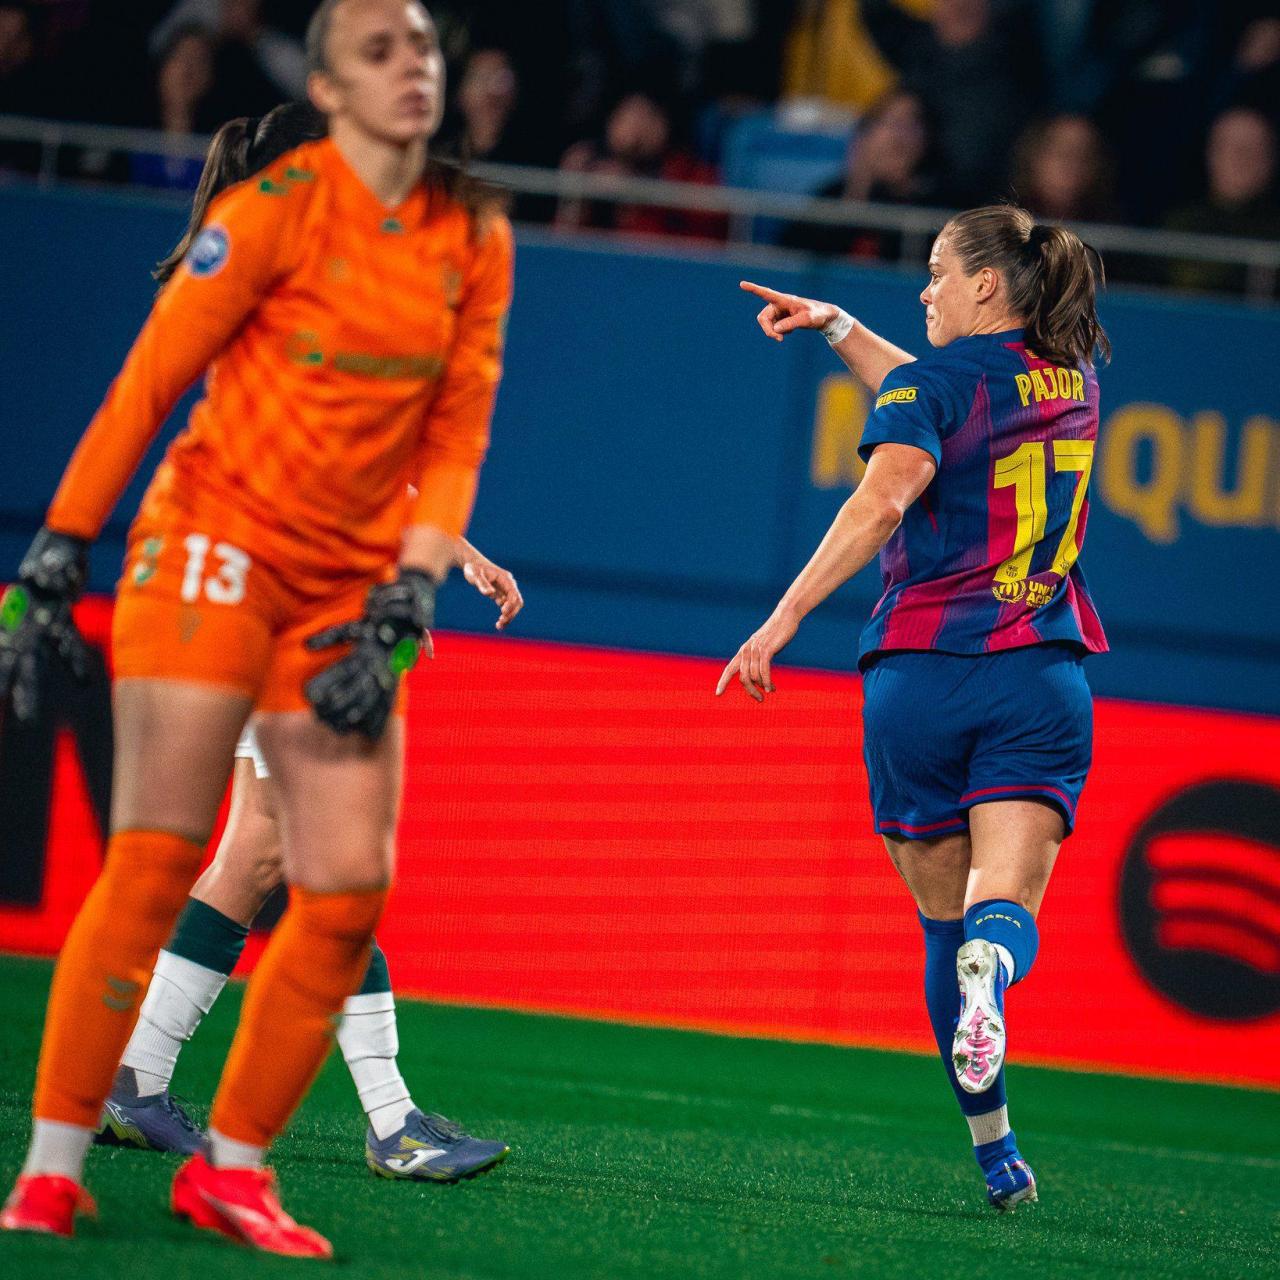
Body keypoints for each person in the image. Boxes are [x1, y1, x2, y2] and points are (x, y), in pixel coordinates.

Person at [0, 0, 514, 1257]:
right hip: (214, 555)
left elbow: (435, 435)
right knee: (191, 855)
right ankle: (63, 1161)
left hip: (340, 582)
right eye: (378, 52)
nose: (414, 71)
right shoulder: (267, 222)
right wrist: (58, 550)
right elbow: (152, 390)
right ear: (325, 97)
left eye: (424, 48)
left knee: (320, 874)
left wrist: (418, 577)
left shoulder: (464, 240)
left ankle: (210, 1145)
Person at [98, 103, 521, 1185]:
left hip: (245, 585)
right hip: (284, 594)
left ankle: (134, 1079)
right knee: (325, 858)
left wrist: (452, 549)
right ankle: (391, 1119)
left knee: (259, 852)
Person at [721, 203, 1110, 1211]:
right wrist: (839, 326)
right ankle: (997, 964)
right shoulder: (1072, 383)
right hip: (1038, 673)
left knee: (940, 928)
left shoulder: (931, 385)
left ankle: (993, 1148)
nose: (925, 288)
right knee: (1002, 910)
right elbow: (943, 389)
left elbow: (884, 494)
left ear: (985, 284)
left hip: (920, 678)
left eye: (936, 272)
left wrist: (782, 613)